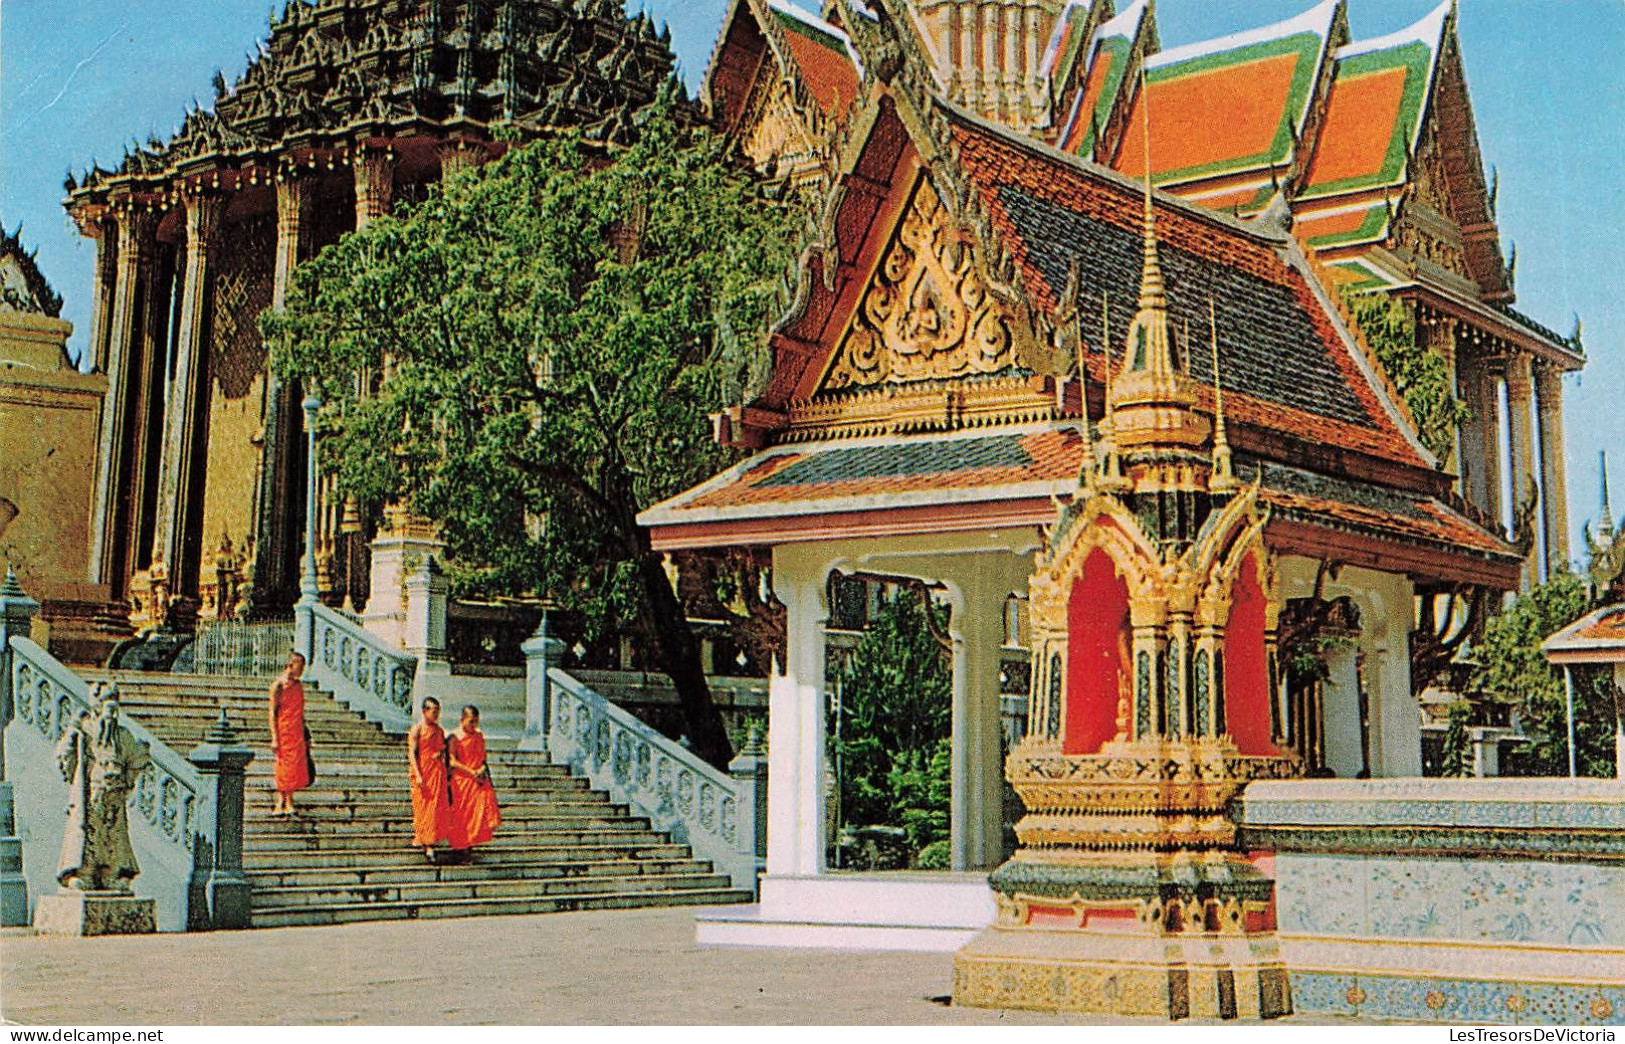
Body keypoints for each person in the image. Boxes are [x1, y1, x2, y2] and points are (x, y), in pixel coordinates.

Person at [54, 685, 151, 891]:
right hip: (91, 791)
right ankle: (84, 872)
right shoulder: (86, 730)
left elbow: (134, 759)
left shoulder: (122, 735)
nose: (112, 714)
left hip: (114, 791)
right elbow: (64, 755)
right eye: (108, 708)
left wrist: (137, 761)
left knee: (114, 834)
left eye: (115, 709)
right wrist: (72, 734)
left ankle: (111, 874)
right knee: (88, 831)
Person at [447, 705, 501, 859]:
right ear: (462, 720)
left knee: (479, 814)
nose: (474, 726)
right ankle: (461, 849)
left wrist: (482, 771)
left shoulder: (478, 736)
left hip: (477, 780)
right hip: (462, 780)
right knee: (463, 816)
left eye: (476, 722)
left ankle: (470, 845)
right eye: (471, 722)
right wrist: (471, 772)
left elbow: (482, 758)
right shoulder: (454, 737)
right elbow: (452, 761)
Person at [268, 651, 312, 817]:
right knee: (283, 766)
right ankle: (280, 801)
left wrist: (307, 735)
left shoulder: (298, 686)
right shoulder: (278, 686)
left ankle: (289, 801)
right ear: (290, 665)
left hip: (297, 730)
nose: (300, 672)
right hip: (283, 730)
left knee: (294, 768)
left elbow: (300, 712)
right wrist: (274, 737)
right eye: (299, 668)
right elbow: (272, 712)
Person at [407, 696, 451, 862]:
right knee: (424, 809)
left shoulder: (439, 731)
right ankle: (427, 844)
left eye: (438, 711)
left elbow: (442, 751)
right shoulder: (417, 730)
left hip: (437, 773)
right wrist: (418, 775)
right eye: (433, 711)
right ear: (425, 711)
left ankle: (431, 842)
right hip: (423, 774)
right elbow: (412, 753)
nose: (436, 714)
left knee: (435, 810)